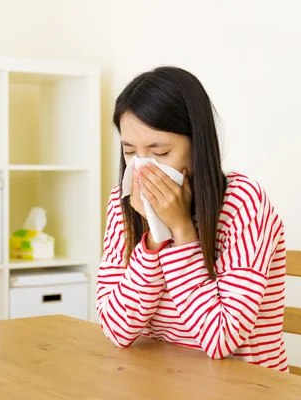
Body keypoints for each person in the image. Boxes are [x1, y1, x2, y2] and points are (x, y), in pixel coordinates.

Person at [96, 66, 287, 371]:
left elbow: (220, 339)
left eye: (160, 152)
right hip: (160, 381)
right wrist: (156, 238)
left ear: (196, 144)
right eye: (130, 151)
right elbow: (117, 330)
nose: (143, 167)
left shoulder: (243, 202)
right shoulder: (124, 205)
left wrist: (182, 229)